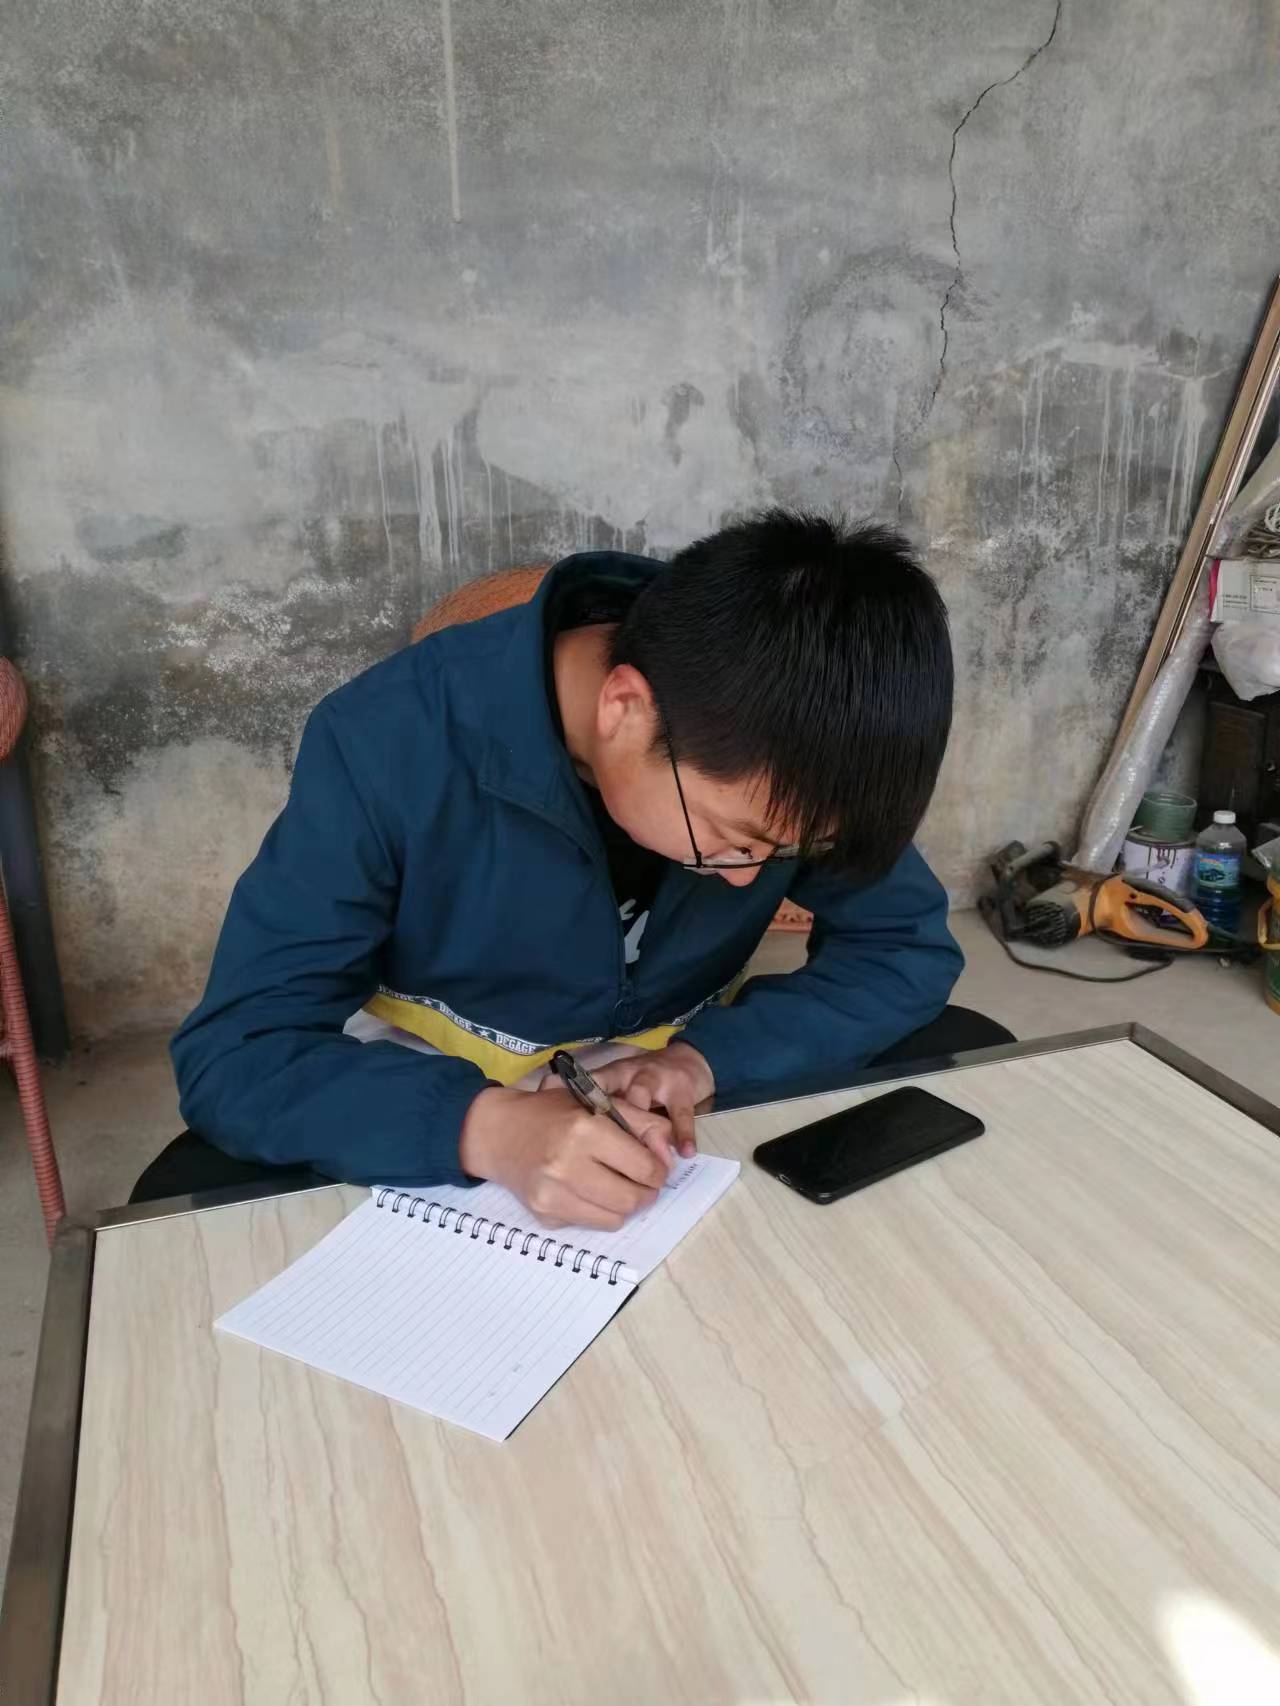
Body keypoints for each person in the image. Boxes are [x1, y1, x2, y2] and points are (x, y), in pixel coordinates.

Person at [144, 511, 1009, 1223]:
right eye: (733, 839)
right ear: (625, 707)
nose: (752, 880)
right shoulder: (388, 743)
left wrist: (706, 1061)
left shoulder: (785, 738)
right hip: (421, 1092)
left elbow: (901, 949)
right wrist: (485, 1128)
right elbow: (240, 1050)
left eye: (783, 854)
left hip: (660, 1095)